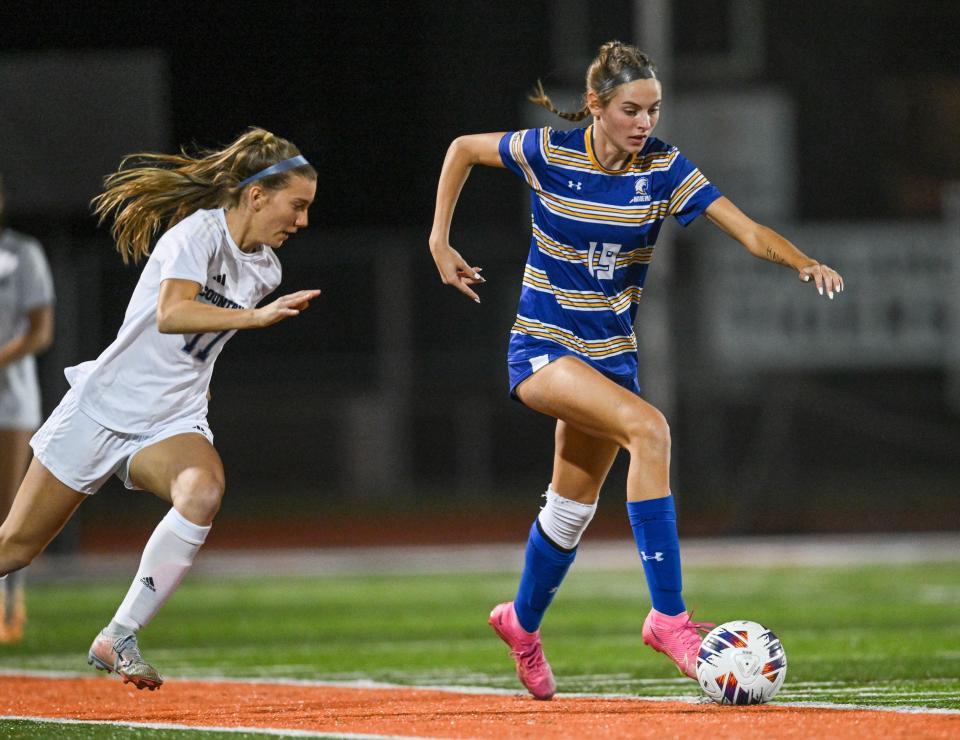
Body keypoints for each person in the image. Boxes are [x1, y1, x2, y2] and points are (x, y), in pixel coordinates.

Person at [428, 41, 844, 700]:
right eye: (631, 109)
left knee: (569, 510)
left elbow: (745, 229)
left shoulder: (663, 169)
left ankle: (521, 624)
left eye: (653, 109)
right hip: (541, 346)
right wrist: (439, 240)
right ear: (595, 105)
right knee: (649, 432)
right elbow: (461, 150)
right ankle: (669, 619)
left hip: (610, 357)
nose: (644, 122)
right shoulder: (547, 151)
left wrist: (800, 261)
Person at [0, 127, 319, 689]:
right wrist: (253, 318)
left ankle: (119, 634)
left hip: (171, 420)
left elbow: (196, 345)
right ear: (255, 195)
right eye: (297, 205)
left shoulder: (266, 268)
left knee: (203, 491)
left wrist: (202, 383)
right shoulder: (195, 234)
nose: (301, 221)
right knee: (17, 548)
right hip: (101, 409)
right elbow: (173, 313)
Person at [0, 174, 56, 644]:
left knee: (8, 505)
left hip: (9, 398)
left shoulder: (23, 253)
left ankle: (9, 603)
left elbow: (41, 331)